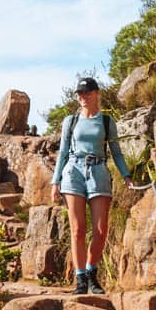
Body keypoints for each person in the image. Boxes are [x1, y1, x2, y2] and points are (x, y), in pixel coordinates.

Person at [52, 77, 131, 295]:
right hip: (74, 171)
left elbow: (115, 151)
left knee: (100, 230)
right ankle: (80, 280)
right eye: (79, 94)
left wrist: (126, 175)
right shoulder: (71, 121)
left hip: (98, 171)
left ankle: (91, 273)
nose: (82, 97)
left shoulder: (106, 121)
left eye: (86, 93)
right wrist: (55, 180)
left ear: (96, 94)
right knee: (77, 229)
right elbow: (62, 151)